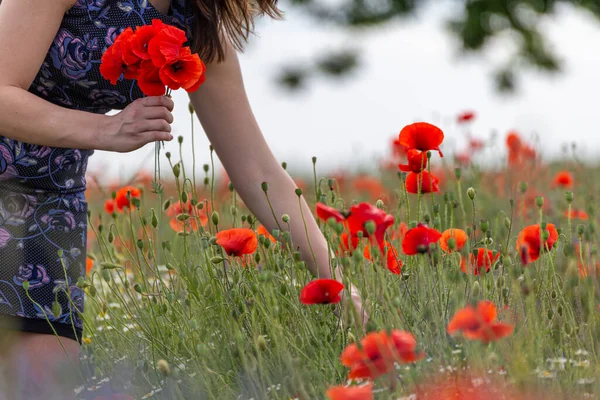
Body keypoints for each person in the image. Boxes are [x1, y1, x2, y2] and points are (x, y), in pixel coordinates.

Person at [0, 0, 365, 397]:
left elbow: (259, 172)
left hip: (50, 213)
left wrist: (333, 278)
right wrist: (104, 130)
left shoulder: (196, 28)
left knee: (46, 389)